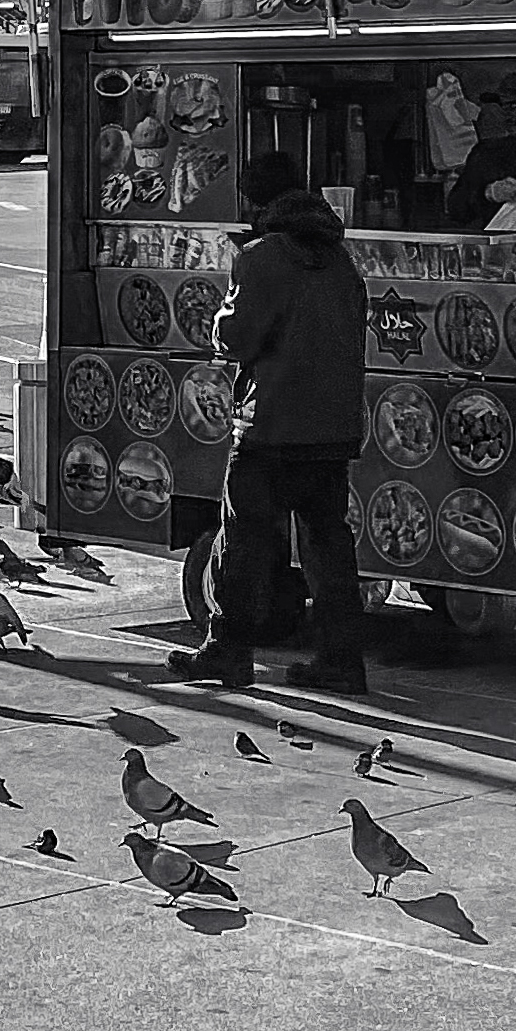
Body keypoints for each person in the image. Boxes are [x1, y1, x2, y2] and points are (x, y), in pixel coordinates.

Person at [169, 147, 372, 697]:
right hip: (332, 430)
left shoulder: (261, 257)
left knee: (245, 543)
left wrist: (219, 319)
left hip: (271, 425)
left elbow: (234, 340)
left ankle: (228, 650)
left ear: (255, 202)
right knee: (328, 546)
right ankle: (342, 660)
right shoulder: (341, 260)